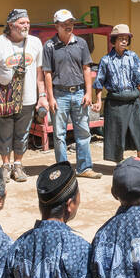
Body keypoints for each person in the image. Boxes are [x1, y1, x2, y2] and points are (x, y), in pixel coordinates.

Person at [0, 8, 47, 183]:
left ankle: (18, 165)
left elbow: (40, 72)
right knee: (4, 132)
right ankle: (5, 165)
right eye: (22, 22)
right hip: (4, 97)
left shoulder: (35, 43)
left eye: (27, 22)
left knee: (22, 133)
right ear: (11, 25)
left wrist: (42, 95)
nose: (26, 25)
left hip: (28, 97)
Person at [41, 9, 100, 180]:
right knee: (59, 135)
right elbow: (47, 73)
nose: (69, 26)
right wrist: (50, 97)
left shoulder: (81, 43)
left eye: (71, 23)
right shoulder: (50, 46)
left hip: (79, 93)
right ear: (56, 26)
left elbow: (86, 68)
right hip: (59, 95)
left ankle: (84, 167)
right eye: (64, 24)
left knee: (83, 132)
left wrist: (89, 93)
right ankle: (63, 171)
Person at [95, 24, 140, 163]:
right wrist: (98, 101)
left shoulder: (133, 57)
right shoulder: (106, 60)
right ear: (114, 40)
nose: (124, 41)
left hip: (133, 101)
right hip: (115, 103)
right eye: (120, 38)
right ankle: (119, 164)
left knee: (139, 133)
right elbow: (99, 82)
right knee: (116, 135)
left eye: (126, 38)